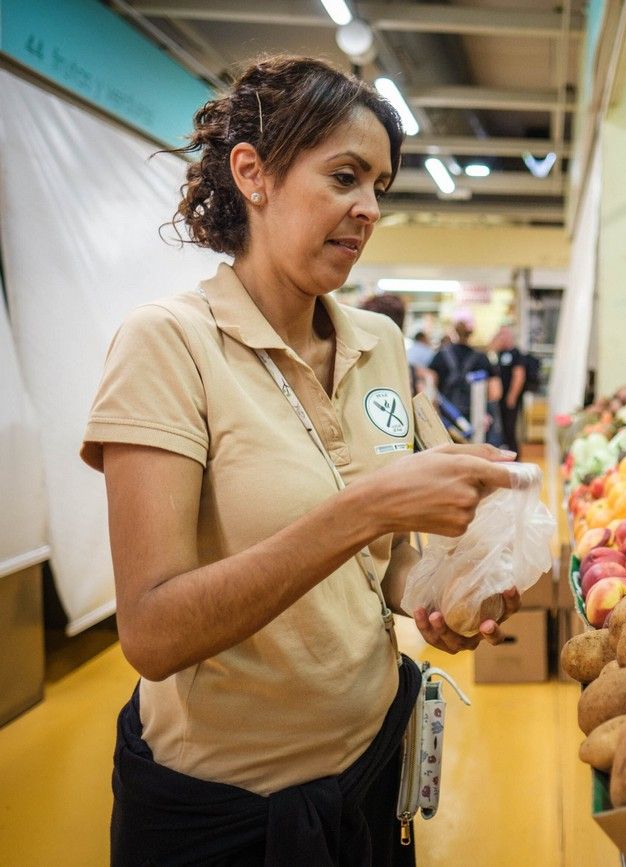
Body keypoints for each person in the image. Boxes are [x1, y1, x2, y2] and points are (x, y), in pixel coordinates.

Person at [80, 55, 520, 865]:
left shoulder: (378, 342)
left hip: (374, 769)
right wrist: (373, 507)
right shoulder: (169, 345)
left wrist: (441, 596)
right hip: (225, 814)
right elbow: (151, 630)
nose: (368, 209)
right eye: (345, 176)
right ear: (254, 173)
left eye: (380, 187)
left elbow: (383, 566)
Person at [430, 318, 494, 431]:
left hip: (446, 416)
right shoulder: (482, 358)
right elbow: (495, 392)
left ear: (454, 331)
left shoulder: (440, 356)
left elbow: (430, 388)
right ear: (471, 334)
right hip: (475, 415)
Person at [491, 326, 526, 454]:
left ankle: (514, 455)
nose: (500, 337)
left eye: (503, 335)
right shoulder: (499, 353)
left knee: (510, 429)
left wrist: (512, 396)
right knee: (501, 430)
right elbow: (489, 349)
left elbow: (519, 376)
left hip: (510, 399)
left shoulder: (516, 354)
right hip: (499, 398)